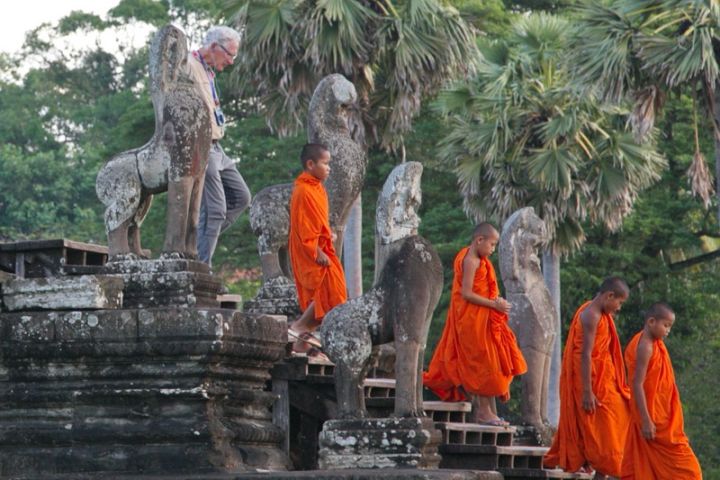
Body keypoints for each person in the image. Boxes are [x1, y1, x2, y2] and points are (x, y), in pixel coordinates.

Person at [423, 223, 527, 426]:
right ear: (479, 240)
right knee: (484, 364)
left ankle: (486, 411)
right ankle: (482, 412)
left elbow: (485, 290)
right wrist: (494, 305)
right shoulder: (470, 260)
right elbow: (467, 293)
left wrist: (497, 303)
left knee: (492, 362)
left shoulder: (479, 259)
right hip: (472, 320)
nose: (493, 249)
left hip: (483, 318)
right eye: (492, 244)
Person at [544, 277, 632, 480]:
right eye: (619, 303)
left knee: (617, 417)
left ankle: (600, 469)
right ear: (609, 296)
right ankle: (601, 468)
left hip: (604, 378)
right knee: (604, 425)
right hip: (590, 381)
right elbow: (585, 354)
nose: (618, 308)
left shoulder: (600, 314)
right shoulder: (591, 315)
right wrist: (587, 391)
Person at [188, 26, 251, 268]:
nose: (231, 61)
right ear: (214, 47)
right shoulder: (188, 65)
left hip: (218, 146)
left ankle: (198, 236)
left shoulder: (209, 70)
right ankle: (203, 266)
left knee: (242, 197)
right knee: (216, 209)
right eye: (230, 55)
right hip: (201, 144)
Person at [621, 303, 702, 479]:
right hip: (653, 420)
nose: (668, 331)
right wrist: (646, 420)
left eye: (670, 327)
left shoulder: (655, 344)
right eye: (665, 325)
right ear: (651, 321)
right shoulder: (646, 346)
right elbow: (637, 384)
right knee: (690, 472)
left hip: (663, 417)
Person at [287, 143, 347, 356]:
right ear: (310, 164)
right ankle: (300, 327)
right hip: (308, 248)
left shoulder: (317, 187)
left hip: (320, 245)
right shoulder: (303, 190)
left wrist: (327, 234)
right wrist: (316, 250)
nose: (329, 168)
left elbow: (317, 220)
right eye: (325, 163)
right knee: (327, 286)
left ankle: (302, 341)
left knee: (333, 291)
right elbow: (304, 226)